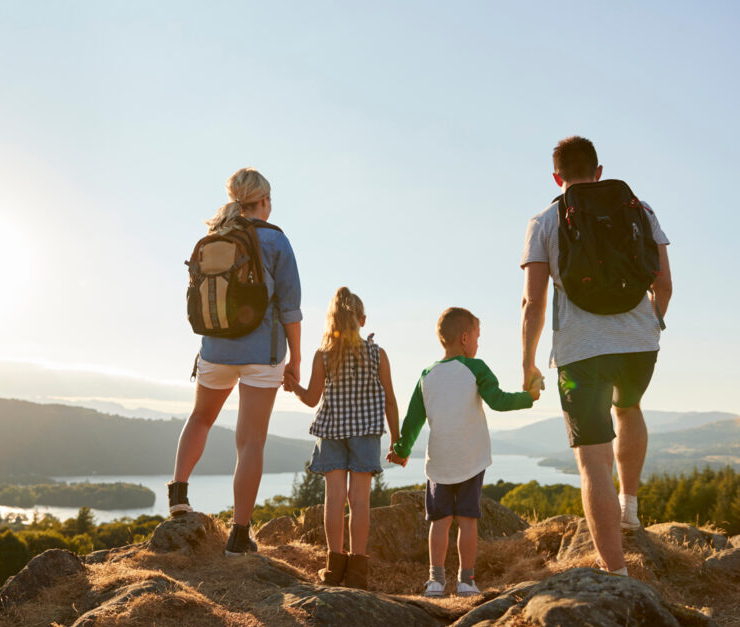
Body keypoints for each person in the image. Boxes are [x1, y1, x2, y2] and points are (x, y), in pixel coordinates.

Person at [520, 136, 672, 575]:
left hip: (581, 351)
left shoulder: (545, 220)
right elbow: (663, 285)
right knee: (628, 408)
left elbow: (534, 302)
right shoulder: (640, 211)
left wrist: (528, 361)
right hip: (640, 345)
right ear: (599, 171)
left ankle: (616, 573)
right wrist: (651, 323)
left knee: (592, 460)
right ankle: (630, 506)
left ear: (556, 176)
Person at [169, 167, 303, 556]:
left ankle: (178, 495)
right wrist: (295, 360)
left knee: (201, 418)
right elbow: (290, 310)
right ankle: (239, 535)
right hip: (262, 354)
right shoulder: (276, 240)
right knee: (251, 442)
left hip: (215, 349)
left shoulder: (216, 236)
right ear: (264, 201)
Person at [388, 308, 538, 597]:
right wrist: (528, 398)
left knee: (440, 522)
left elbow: (413, 420)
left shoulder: (426, 375)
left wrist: (402, 451)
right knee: (468, 521)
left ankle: (435, 581)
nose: (478, 344)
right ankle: (466, 581)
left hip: (439, 463)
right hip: (470, 459)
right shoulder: (476, 367)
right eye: (478, 338)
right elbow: (498, 400)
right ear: (465, 337)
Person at [283, 287, 400, 590]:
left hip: (332, 430)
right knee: (359, 501)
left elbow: (311, 399)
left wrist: (293, 386)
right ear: (362, 319)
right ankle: (358, 570)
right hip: (366, 432)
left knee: (333, 499)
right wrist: (397, 440)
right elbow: (389, 400)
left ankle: (334, 567)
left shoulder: (324, 355)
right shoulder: (377, 354)